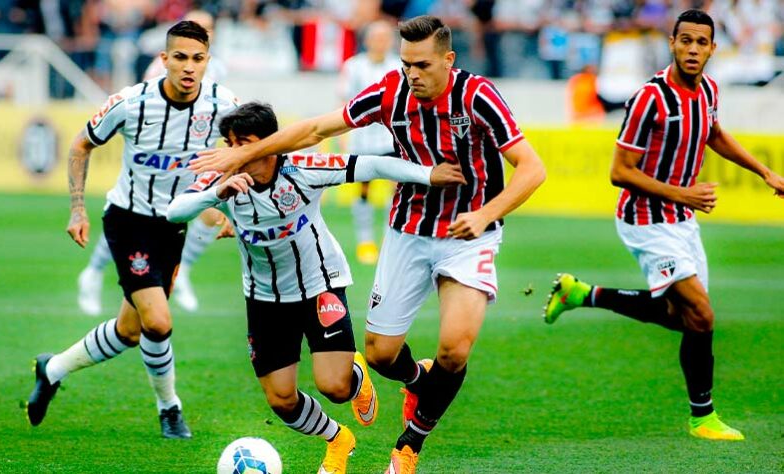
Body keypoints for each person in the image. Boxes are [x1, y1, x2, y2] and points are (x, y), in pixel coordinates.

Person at [189, 15, 547, 473]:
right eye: (405, 63)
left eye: (422, 64)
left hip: (468, 235)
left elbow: (531, 168)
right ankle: (416, 379)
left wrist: (484, 215)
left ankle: (409, 445)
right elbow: (318, 128)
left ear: (448, 60)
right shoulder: (391, 92)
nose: (412, 74)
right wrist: (244, 153)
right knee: (379, 354)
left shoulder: (478, 96)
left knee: (455, 349)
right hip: (408, 232)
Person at [169, 101, 465, 473]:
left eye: (243, 143)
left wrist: (428, 174)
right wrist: (218, 195)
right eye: (230, 143)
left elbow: (371, 165)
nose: (234, 152)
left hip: (319, 285)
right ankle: (338, 438)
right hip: (265, 298)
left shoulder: (302, 170)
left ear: (269, 143)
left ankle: (355, 378)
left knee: (335, 387)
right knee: (280, 399)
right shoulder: (223, 178)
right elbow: (174, 210)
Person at [543, 9, 784, 441]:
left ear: (713, 48)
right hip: (645, 219)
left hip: (680, 220)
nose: (693, 49)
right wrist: (683, 193)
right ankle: (702, 417)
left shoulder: (708, 89)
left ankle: (583, 293)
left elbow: (713, 133)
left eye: (701, 43)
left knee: (683, 319)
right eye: (685, 41)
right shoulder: (650, 98)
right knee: (703, 316)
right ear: (672, 43)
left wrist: (763, 172)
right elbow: (619, 171)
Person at [26, 21, 239, 439]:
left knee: (129, 329)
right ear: (164, 60)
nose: (188, 67)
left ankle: (51, 369)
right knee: (158, 322)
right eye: (179, 57)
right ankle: (170, 409)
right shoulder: (131, 102)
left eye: (197, 59)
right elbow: (81, 144)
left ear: (208, 62)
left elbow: (243, 151)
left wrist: (228, 206)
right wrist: (76, 209)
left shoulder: (223, 104)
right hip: (128, 220)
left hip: (172, 226)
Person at [78, 9, 229, 316]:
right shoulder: (154, 77)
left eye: (209, 29)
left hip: (185, 185)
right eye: (200, 26)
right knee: (152, 318)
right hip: (148, 180)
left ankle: (182, 270)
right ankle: (93, 273)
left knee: (213, 212)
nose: (205, 31)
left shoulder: (219, 77)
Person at [337, 20, 401, 265]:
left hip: (390, 138)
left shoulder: (398, 66)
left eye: (386, 38)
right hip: (361, 139)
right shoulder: (353, 67)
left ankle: (389, 239)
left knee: (395, 189)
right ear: (367, 40)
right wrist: (343, 138)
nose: (381, 42)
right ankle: (365, 241)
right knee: (364, 190)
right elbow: (343, 103)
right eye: (377, 38)